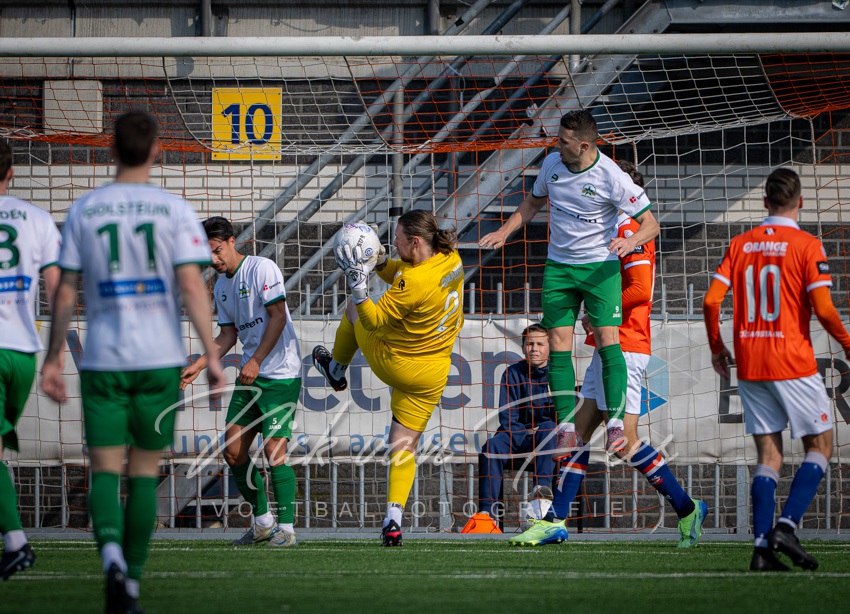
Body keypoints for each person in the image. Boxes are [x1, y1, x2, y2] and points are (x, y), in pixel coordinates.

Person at [40, 112, 224, 613]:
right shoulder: (174, 210)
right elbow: (192, 287)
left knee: (103, 471)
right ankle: (134, 582)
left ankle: (112, 562)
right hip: (159, 361)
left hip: (103, 360)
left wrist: (53, 358)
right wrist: (211, 355)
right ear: (157, 151)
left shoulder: (86, 209)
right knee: (144, 473)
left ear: (111, 150)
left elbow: (65, 292)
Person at [509, 160, 707, 547]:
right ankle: (555, 520)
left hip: (626, 347)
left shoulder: (631, 227)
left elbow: (641, 289)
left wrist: (591, 313)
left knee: (625, 443)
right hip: (609, 348)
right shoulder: (613, 226)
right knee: (576, 433)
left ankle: (687, 508)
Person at [480, 110, 660, 457]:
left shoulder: (612, 176)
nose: (556, 146)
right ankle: (565, 428)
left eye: (563, 141)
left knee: (608, 341)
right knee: (558, 344)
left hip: (599, 269)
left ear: (584, 146)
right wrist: (504, 231)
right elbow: (532, 203)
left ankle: (616, 423)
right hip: (559, 268)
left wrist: (630, 241)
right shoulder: (552, 165)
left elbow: (651, 224)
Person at [704, 168, 850, 572]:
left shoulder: (741, 243)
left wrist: (717, 347)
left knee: (768, 454)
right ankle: (785, 527)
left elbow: (711, 300)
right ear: (800, 202)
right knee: (820, 445)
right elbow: (824, 308)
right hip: (791, 360)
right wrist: (848, 343)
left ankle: (760, 549)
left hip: (750, 360)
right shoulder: (806, 244)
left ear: (765, 202)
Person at [312, 210, 463, 546]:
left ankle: (335, 369)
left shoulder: (414, 284)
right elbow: (403, 271)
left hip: (398, 364)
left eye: (396, 239)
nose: (392, 243)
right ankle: (393, 521)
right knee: (403, 445)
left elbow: (375, 320)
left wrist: (358, 284)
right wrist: (380, 261)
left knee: (354, 310)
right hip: (434, 371)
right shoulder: (451, 257)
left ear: (415, 241)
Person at [180, 216, 302, 548]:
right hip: (252, 377)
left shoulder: (262, 268)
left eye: (217, 250)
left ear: (232, 241)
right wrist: (199, 364)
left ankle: (287, 530)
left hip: (281, 374)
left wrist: (257, 359)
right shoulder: (221, 287)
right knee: (233, 452)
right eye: (207, 254)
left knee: (274, 451)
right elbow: (228, 335)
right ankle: (263, 523)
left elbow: (278, 316)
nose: (213, 259)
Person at [0, 140, 61, 580]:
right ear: (11, 173)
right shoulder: (37, 218)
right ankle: (13, 543)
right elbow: (58, 292)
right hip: (22, 350)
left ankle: (17, 543)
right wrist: (54, 355)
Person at [478, 324, 557, 523]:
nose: (534, 349)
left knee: (549, 429)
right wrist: (527, 433)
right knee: (491, 446)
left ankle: (540, 496)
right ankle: (487, 513)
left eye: (540, 344)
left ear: (550, 347)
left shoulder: (558, 373)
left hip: (545, 441)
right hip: (517, 437)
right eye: (530, 344)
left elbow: (560, 417)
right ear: (522, 347)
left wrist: (539, 431)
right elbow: (508, 418)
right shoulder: (511, 373)